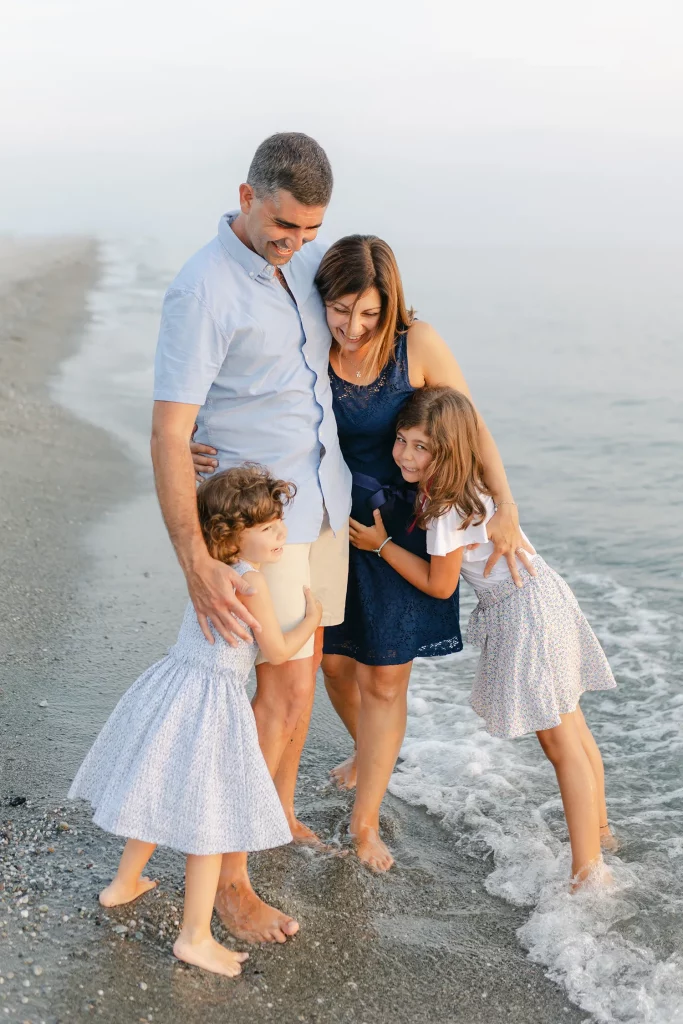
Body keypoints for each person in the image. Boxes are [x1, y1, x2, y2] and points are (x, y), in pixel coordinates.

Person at [193, 234, 534, 872]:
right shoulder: (311, 340)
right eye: (342, 310)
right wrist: (195, 439)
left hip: (406, 525)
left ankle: (366, 822)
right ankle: (368, 753)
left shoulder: (417, 344)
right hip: (330, 521)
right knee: (333, 666)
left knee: (385, 679)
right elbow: (255, 397)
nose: (353, 328)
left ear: (391, 305)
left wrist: (505, 504)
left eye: (369, 314)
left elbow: (470, 423)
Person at [152, 133, 351, 942]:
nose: (296, 243)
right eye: (283, 227)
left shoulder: (306, 267)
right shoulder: (200, 290)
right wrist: (197, 562)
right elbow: (169, 433)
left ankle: (275, 816)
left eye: (309, 229)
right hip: (259, 532)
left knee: (296, 693)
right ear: (246, 195)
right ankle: (229, 880)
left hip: (325, 508)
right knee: (268, 693)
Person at [350, 386, 618, 885]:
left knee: (561, 745)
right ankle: (600, 834)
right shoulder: (475, 484)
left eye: (421, 446)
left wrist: (381, 544)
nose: (406, 455)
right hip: (545, 595)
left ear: (446, 450)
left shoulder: (447, 506)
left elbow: (439, 584)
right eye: (402, 440)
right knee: (575, 729)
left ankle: (588, 871)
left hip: (524, 616)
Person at [69, 465, 323, 975]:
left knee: (157, 788)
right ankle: (194, 936)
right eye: (269, 528)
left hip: (174, 685)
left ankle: (123, 885)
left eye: (280, 524)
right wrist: (312, 622)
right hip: (214, 703)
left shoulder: (207, 568)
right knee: (210, 818)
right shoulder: (251, 583)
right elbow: (273, 650)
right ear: (231, 534)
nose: (282, 535)